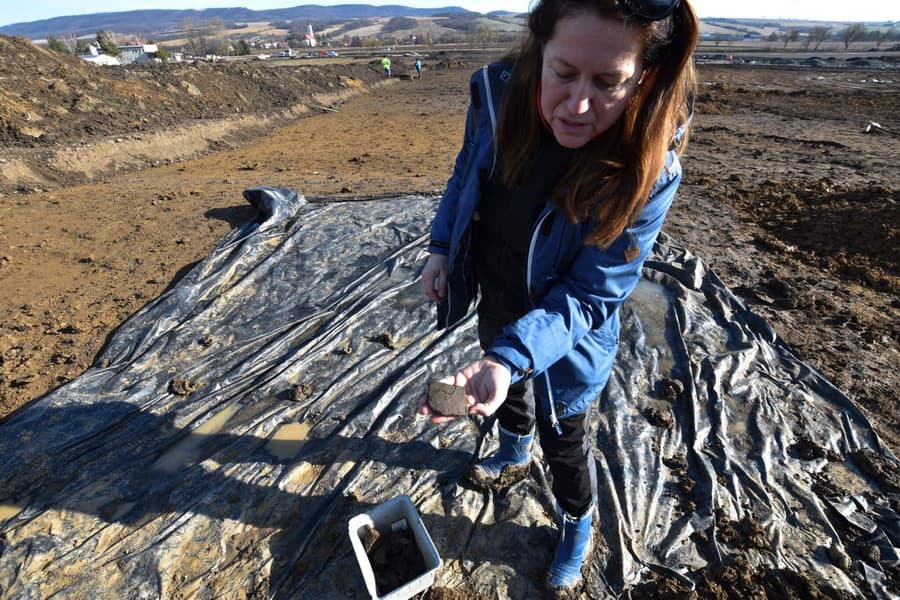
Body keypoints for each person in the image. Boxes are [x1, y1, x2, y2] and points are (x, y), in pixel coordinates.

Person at [418, 0, 698, 593]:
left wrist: (512, 355)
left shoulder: (649, 171)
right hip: (497, 299)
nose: (578, 104)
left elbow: (593, 294)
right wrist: (442, 245)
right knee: (508, 396)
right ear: (538, 50)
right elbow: (466, 168)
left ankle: (578, 520)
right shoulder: (497, 99)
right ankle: (514, 451)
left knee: (566, 442)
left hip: (568, 340)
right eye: (564, 73)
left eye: (608, 82)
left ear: (642, 78)